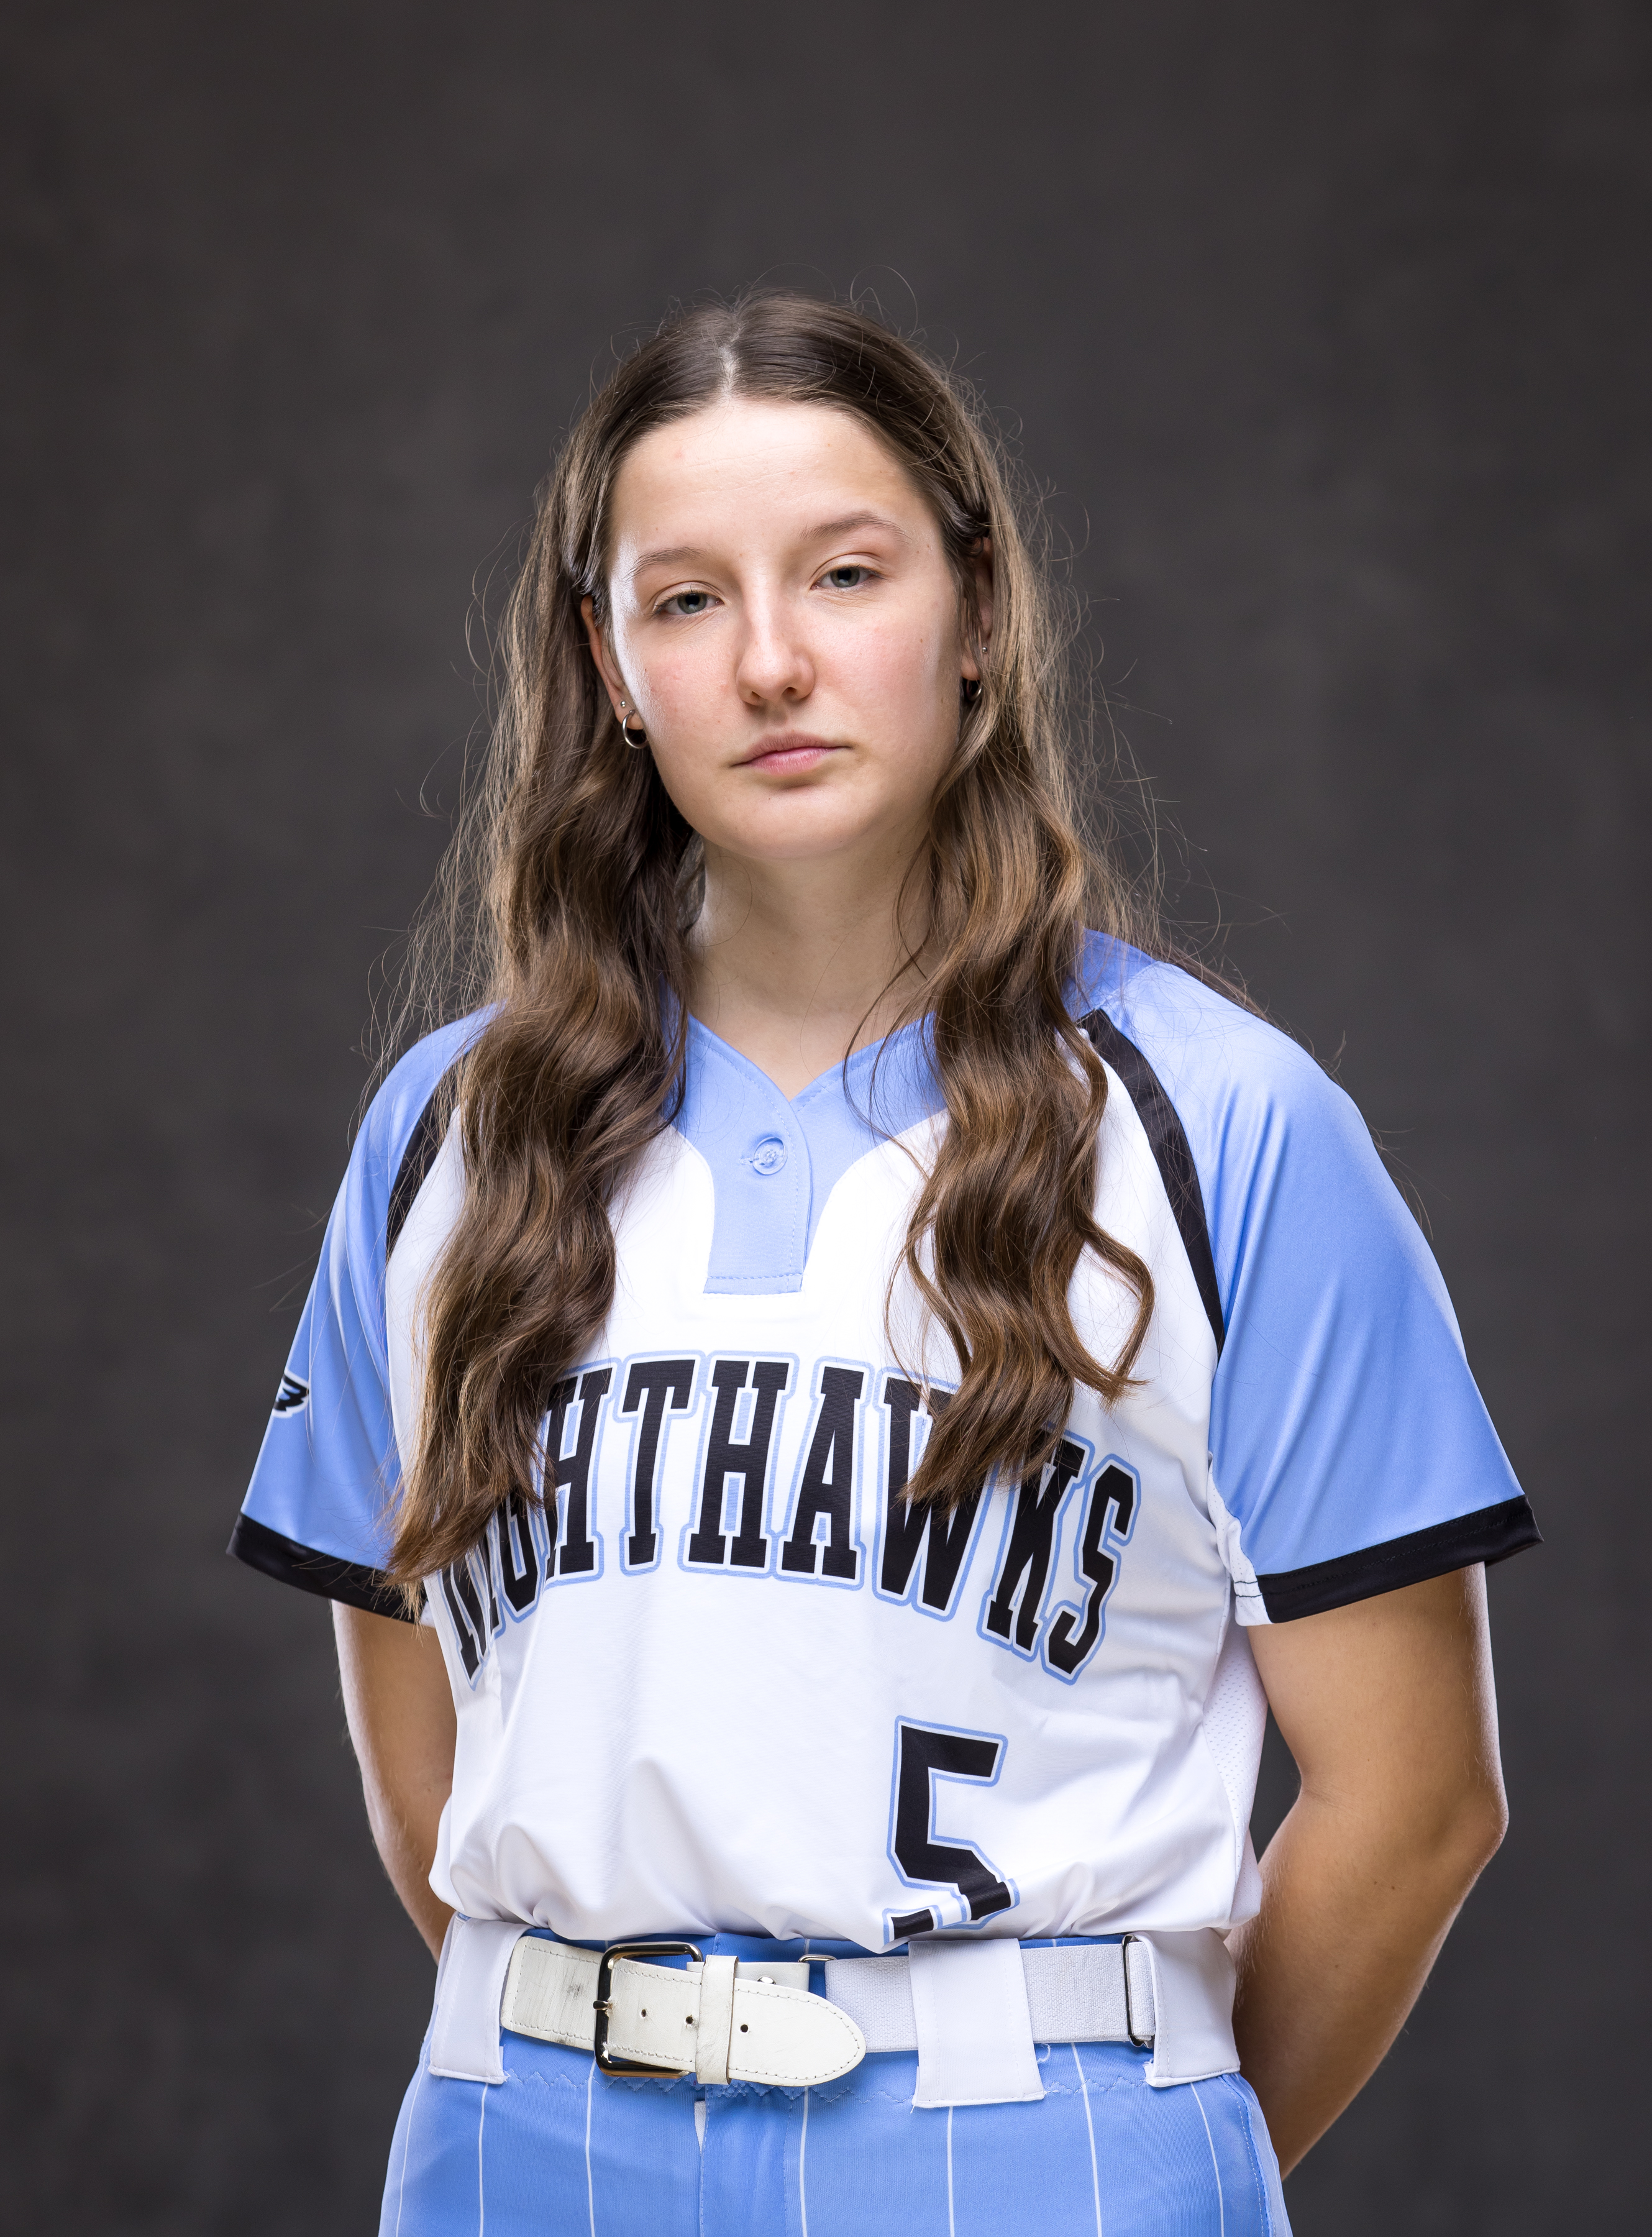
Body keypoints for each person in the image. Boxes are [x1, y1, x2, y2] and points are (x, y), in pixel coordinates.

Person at [230, 293, 1538, 2237]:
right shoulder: (450, 1131)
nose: (770, 662)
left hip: (1044, 2142)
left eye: (845, 574)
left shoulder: (1224, 1124)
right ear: (608, 664)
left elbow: (1417, 1798)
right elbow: (425, 1760)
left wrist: (1126, 2150)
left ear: (977, 611)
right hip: (529, 2149)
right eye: (683, 601)